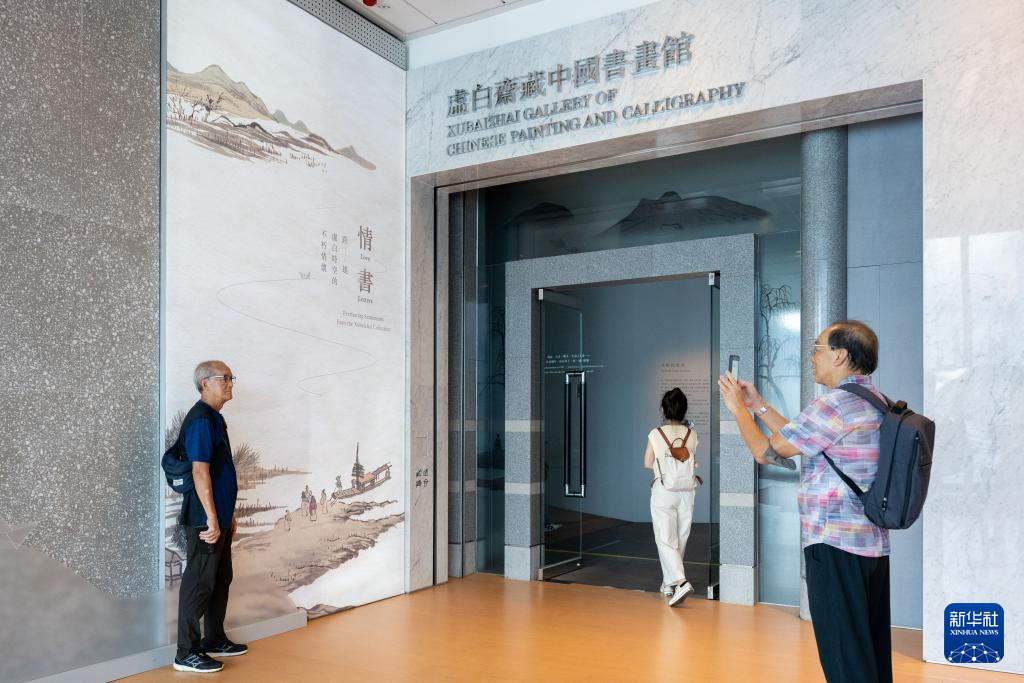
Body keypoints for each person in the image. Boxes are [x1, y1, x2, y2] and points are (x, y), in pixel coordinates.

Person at [718, 320, 891, 683]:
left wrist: (737, 410)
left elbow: (766, 451)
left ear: (840, 355)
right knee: (869, 652)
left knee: (844, 659)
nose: (812, 357)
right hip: (870, 546)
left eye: (817, 348)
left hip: (835, 545)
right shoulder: (874, 400)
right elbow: (798, 437)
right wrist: (758, 405)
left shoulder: (835, 404)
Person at [173, 360, 249, 674]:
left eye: (232, 377)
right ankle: (186, 653)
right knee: (199, 582)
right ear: (205, 383)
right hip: (204, 518)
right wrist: (212, 518)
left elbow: (219, 472)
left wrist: (227, 515)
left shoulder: (215, 418)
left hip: (218, 514)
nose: (230, 382)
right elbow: (199, 471)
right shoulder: (201, 419)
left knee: (219, 578)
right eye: (224, 377)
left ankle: (214, 638)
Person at [643, 387, 699, 607]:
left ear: (663, 410)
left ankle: (681, 582)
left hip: (664, 490)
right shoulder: (692, 434)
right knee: (681, 537)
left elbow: (647, 463)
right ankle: (669, 584)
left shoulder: (655, 434)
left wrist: (663, 465)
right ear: (684, 410)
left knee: (666, 539)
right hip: (687, 491)